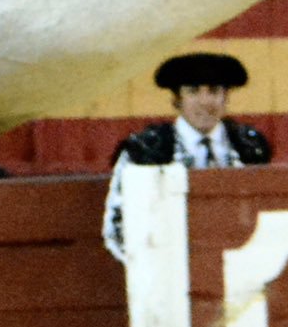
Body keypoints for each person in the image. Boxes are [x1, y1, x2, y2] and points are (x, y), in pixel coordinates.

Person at [104, 49, 273, 256]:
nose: (205, 101)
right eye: (193, 91)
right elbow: (118, 225)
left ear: (225, 97)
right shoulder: (147, 149)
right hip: (170, 271)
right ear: (177, 100)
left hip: (238, 271)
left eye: (213, 90)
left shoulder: (250, 146)